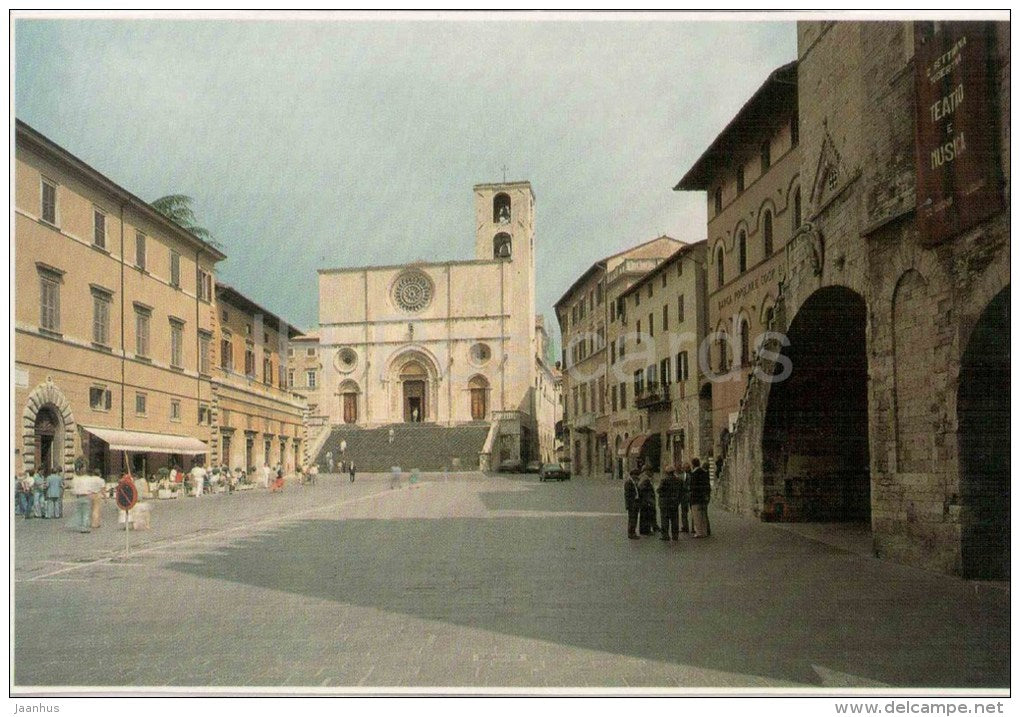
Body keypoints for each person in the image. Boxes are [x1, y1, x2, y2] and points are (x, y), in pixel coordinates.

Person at [657, 467, 681, 541]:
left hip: (665, 502)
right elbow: (681, 490)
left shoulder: (664, 480)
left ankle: (665, 535)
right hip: (674, 502)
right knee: (675, 520)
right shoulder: (678, 480)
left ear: (667, 473)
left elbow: (659, 490)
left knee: (665, 519)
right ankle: (675, 535)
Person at [690, 458, 711, 538]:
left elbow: (693, 487)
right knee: (703, 515)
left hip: (696, 498)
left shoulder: (694, 474)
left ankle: (699, 532)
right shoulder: (704, 473)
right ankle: (704, 531)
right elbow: (707, 485)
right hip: (703, 497)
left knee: (697, 516)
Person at [637, 465, 658, 536]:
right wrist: (648, 499)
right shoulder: (645, 479)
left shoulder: (642, 477)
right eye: (650, 471)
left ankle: (644, 530)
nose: (651, 473)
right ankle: (646, 530)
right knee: (646, 516)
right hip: (646, 500)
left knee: (644, 516)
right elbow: (642, 489)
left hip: (644, 500)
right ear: (647, 471)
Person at [624, 469, 640, 539]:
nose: (637, 477)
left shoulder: (634, 482)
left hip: (636, 502)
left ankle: (633, 532)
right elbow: (627, 495)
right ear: (632, 475)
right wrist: (628, 505)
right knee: (632, 519)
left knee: (635, 518)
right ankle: (631, 533)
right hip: (632, 503)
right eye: (636, 475)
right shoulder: (628, 482)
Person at [677, 462, 692, 534]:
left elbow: (681, 486)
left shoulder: (683, 476)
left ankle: (685, 527)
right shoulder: (692, 474)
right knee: (692, 512)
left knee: (684, 512)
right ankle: (693, 527)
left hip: (685, 495)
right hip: (691, 494)